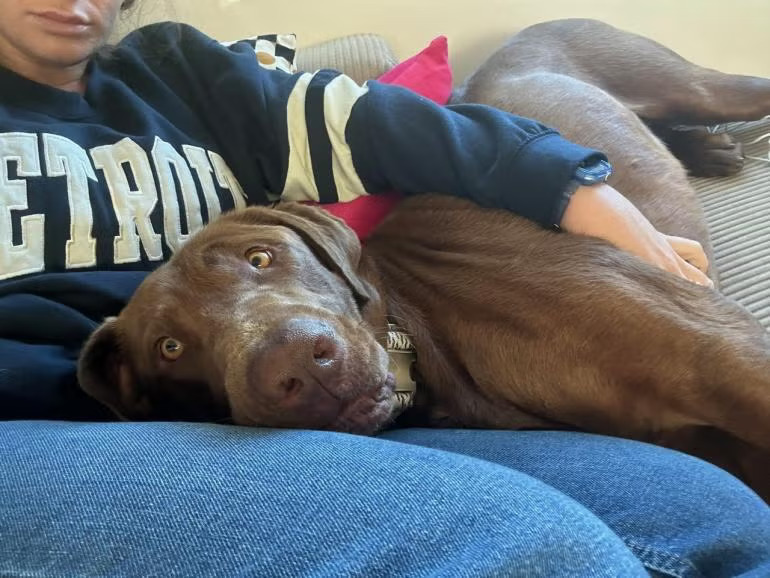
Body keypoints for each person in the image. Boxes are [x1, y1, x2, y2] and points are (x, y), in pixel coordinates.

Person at [0, 1, 767, 576]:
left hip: (315, 411)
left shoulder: (174, 72)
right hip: (49, 435)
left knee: (716, 520)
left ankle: (689, 133)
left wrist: (574, 187)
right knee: (535, 547)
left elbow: (375, 124)